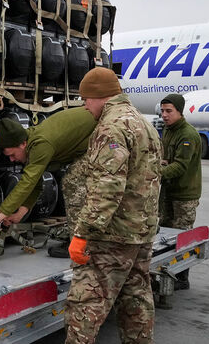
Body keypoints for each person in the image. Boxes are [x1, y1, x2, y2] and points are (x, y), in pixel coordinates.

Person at [64, 67, 162, 343]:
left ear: (99, 96)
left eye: (86, 100)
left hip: (112, 236)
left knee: (85, 304)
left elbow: (107, 187)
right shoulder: (143, 123)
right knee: (136, 299)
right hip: (141, 231)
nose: (85, 107)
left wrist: (82, 233)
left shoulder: (111, 128)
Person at [0, 107, 97, 259]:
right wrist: (19, 214)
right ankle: (83, 237)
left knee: (73, 183)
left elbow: (27, 182)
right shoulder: (31, 142)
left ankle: (81, 244)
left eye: (12, 154)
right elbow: (35, 182)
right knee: (73, 180)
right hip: (91, 140)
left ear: (22, 144)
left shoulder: (41, 144)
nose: (12, 160)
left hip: (103, 135)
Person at [159, 93, 202, 290]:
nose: (164, 115)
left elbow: (180, 166)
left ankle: (182, 278)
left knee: (182, 237)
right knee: (165, 235)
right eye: (162, 111)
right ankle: (167, 273)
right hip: (169, 191)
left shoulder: (187, 134)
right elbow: (168, 159)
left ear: (179, 111)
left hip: (184, 195)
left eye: (169, 111)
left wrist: (155, 174)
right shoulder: (169, 130)